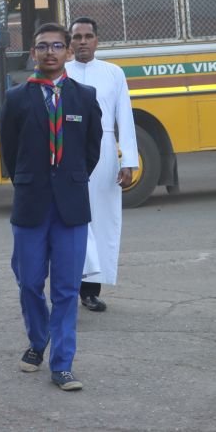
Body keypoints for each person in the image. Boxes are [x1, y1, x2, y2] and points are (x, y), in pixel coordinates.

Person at [0, 22, 102, 391]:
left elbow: (92, 149)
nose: (50, 52)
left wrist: (70, 179)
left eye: (58, 46)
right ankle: (37, 339)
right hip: (31, 204)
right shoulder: (16, 98)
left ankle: (62, 364)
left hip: (71, 208)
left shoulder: (85, 97)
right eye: (42, 46)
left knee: (66, 288)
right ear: (33, 53)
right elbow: (10, 152)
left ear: (68, 52)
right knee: (28, 282)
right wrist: (30, 182)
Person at [66, 17, 138, 312]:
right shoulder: (62, 72)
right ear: (70, 42)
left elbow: (125, 117)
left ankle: (90, 290)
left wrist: (128, 160)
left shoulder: (113, 73)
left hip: (105, 153)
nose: (82, 41)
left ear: (97, 40)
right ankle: (68, 287)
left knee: (102, 220)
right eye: (77, 37)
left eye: (88, 36)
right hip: (68, 153)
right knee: (71, 221)